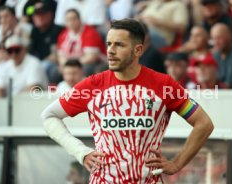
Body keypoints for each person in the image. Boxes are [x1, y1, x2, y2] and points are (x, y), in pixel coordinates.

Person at [41, 19, 214, 183]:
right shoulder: (92, 85)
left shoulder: (164, 85)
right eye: (109, 44)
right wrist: (80, 151)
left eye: (119, 45)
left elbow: (204, 123)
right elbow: (49, 115)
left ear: (138, 50)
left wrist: (177, 163)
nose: (110, 50)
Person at [57, 9, 106, 76]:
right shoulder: (63, 34)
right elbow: (61, 56)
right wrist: (66, 65)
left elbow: (91, 57)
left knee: (85, 69)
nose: (71, 22)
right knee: (56, 71)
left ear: (79, 19)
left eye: (73, 19)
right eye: (68, 20)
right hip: (71, 64)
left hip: (94, 63)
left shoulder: (90, 32)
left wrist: (73, 65)